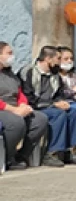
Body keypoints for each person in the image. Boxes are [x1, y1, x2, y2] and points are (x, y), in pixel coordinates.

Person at [20, 46, 76, 167]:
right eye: (58, 58)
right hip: (35, 106)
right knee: (58, 114)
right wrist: (53, 104)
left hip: (50, 105)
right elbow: (28, 97)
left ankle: (71, 151)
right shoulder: (29, 72)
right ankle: (52, 153)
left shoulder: (55, 75)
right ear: (48, 59)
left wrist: (62, 102)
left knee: (72, 112)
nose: (59, 62)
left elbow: (58, 94)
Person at [0, 41, 48, 170]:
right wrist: (13, 110)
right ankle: (7, 157)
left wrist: (23, 105)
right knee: (15, 123)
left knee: (39, 119)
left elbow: (20, 93)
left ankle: (21, 155)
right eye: (9, 53)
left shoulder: (10, 75)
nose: (12, 56)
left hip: (14, 108)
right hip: (4, 109)